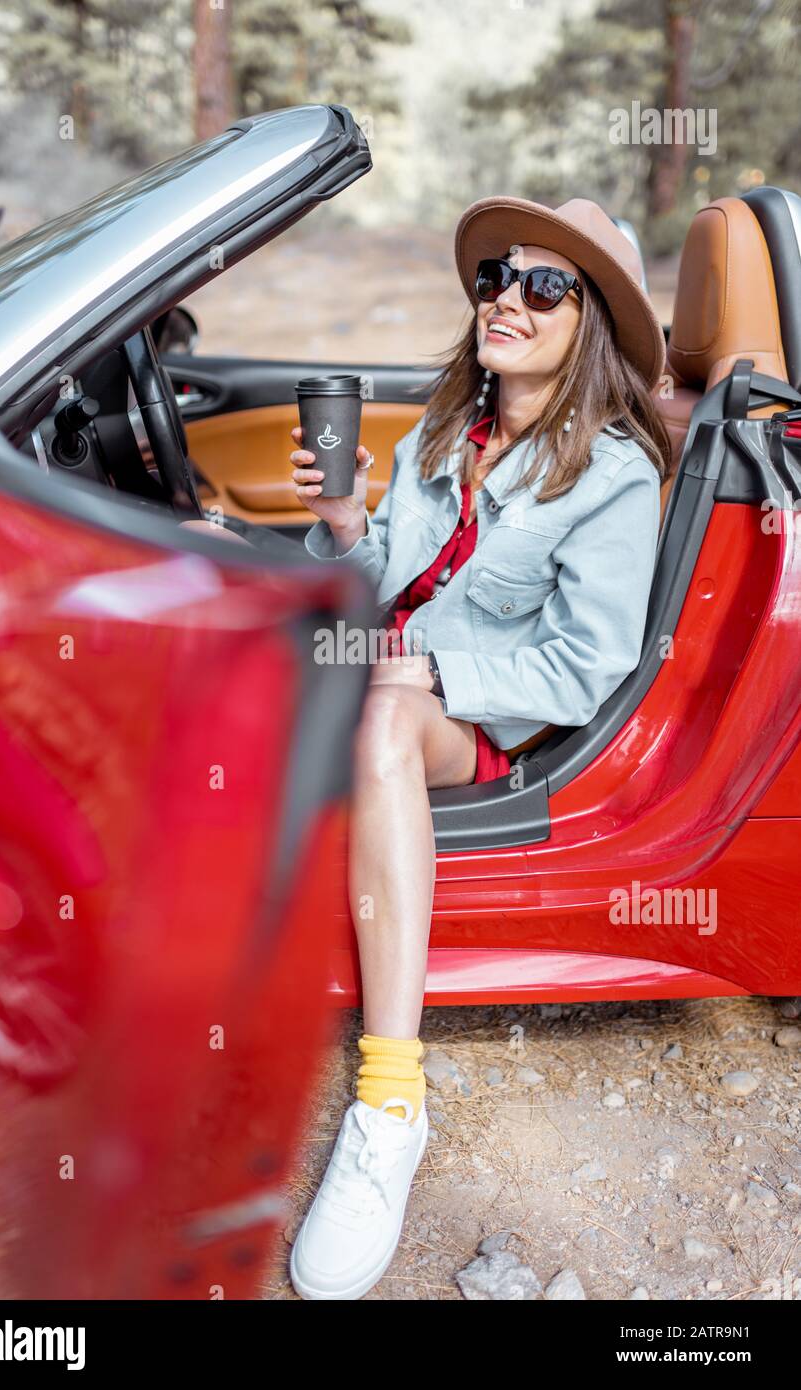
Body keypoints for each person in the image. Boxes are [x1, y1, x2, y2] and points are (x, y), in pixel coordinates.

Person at [287, 197, 671, 1300]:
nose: (509, 296)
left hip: (467, 720)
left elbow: (586, 666)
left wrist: (433, 673)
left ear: (587, 321)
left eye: (546, 285)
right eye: (500, 275)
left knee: (381, 716)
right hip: (379, 669)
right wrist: (352, 528)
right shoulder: (443, 433)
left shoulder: (612, 477)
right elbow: (382, 591)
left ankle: (390, 1099)